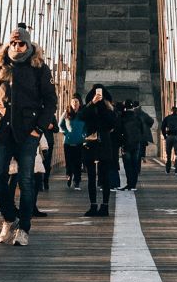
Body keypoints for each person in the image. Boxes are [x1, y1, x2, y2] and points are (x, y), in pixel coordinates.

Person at [0, 23, 57, 248]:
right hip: (1, 130)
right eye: (13, 42)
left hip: (27, 133)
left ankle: (23, 228)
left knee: (25, 180)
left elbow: (50, 101)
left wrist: (39, 129)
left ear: (28, 43)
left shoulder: (39, 67)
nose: (16, 46)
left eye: (20, 43)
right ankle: (8, 219)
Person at [79, 86, 121, 217]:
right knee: (91, 177)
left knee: (105, 177)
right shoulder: (89, 106)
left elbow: (113, 123)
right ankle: (93, 206)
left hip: (103, 144)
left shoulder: (109, 109)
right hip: (91, 144)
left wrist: (102, 106)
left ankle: (105, 206)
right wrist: (92, 103)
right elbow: (81, 117)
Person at [119, 98, 154, 191]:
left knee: (128, 165)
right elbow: (144, 128)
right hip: (137, 144)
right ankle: (133, 185)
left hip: (126, 144)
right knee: (135, 164)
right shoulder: (138, 116)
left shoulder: (122, 117)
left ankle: (129, 184)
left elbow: (119, 130)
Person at [59, 97, 86, 188]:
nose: (75, 103)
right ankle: (69, 176)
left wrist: (84, 134)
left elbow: (87, 125)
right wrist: (66, 132)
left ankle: (77, 180)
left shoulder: (82, 114)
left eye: (77, 102)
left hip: (79, 142)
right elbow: (60, 124)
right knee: (69, 162)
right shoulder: (67, 113)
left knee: (78, 162)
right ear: (70, 103)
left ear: (79, 103)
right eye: (73, 102)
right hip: (68, 142)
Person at [160, 104, 177, 173]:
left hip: (169, 137)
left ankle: (168, 169)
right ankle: (176, 170)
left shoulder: (167, 118)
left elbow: (162, 128)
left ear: (171, 111)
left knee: (168, 154)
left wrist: (165, 136)